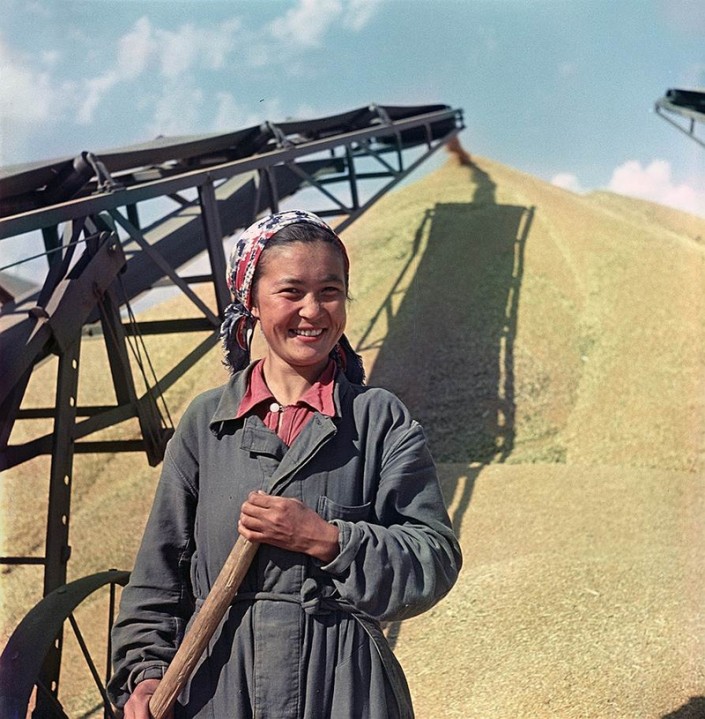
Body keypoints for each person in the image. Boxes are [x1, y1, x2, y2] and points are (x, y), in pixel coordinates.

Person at [108, 209, 462, 719]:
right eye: (291, 292)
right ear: (251, 301)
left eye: (330, 292)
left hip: (345, 691)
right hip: (219, 689)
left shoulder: (378, 419)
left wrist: (327, 539)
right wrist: (145, 674)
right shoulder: (207, 423)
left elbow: (434, 558)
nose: (313, 311)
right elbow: (158, 577)